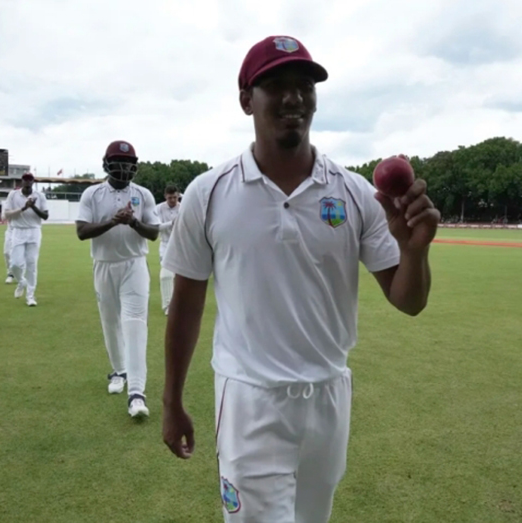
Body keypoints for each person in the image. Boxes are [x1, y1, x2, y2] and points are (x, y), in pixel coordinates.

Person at [160, 35, 441, 522]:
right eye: (276, 86)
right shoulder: (209, 193)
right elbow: (186, 305)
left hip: (329, 397)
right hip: (250, 399)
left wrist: (415, 251)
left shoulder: (354, 193)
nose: (294, 98)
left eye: (304, 86)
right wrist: (172, 401)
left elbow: (408, 300)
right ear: (247, 99)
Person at [76, 140, 160, 418]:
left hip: (134, 265)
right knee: (110, 323)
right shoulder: (92, 193)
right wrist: (114, 221)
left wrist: (133, 222)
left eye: (128, 164)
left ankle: (136, 393)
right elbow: (82, 231)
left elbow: (153, 233)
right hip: (104, 265)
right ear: (107, 164)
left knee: (134, 324)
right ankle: (119, 371)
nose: (124, 169)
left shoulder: (143, 194)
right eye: (119, 163)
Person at [4, 173, 49, 306]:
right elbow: (7, 214)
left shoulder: (40, 196)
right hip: (18, 230)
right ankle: (21, 281)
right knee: (15, 264)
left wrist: (33, 206)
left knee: (32, 264)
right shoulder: (13, 195)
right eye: (25, 180)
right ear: (22, 181)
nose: (28, 182)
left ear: (33, 182)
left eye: (30, 180)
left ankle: (30, 296)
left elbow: (45, 216)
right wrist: (24, 207)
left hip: (34, 231)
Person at [155, 184, 180, 315]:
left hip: (181, 245)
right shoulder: (158, 208)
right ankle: (168, 306)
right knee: (166, 275)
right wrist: (172, 223)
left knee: (182, 276)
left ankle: (181, 304)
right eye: (170, 198)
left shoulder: (184, 208)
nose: (172, 200)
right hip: (165, 244)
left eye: (175, 197)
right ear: (165, 196)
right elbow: (156, 227)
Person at [2, 186, 20, 284]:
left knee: (19, 255)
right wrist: (15, 212)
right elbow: (4, 216)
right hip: (10, 230)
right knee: (6, 252)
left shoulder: (23, 204)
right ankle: (10, 273)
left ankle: (15, 274)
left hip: (20, 231)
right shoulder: (7, 204)